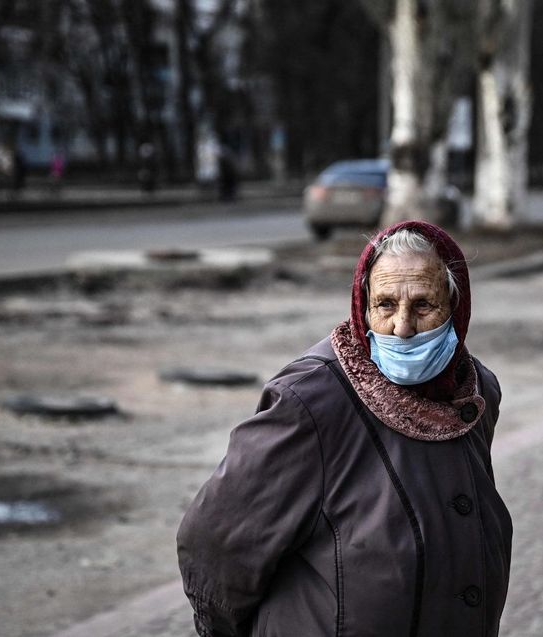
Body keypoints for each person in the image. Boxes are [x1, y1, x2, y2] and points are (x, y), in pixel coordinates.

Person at [177, 221, 513, 636]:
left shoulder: (475, 392)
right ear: (363, 306)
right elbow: (218, 544)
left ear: (456, 310)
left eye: (424, 306)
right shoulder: (312, 399)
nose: (402, 327)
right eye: (385, 304)